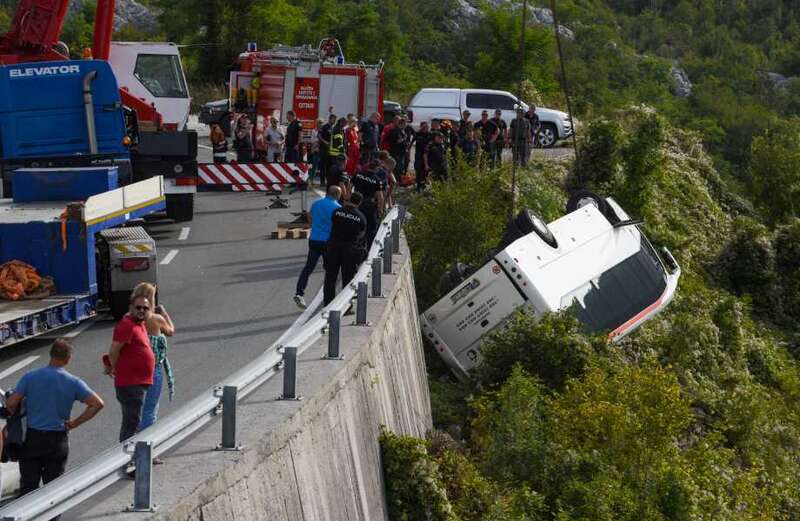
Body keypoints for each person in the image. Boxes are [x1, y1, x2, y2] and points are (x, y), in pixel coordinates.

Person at [6, 339, 103, 503]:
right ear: (68, 358)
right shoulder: (74, 382)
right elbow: (97, 404)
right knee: (54, 490)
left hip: (32, 439)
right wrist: (74, 423)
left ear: (50, 355)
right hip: (57, 440)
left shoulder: (30, 377)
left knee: (28, 488)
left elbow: (11, 403)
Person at [131, 283, 175, 441]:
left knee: (136, 408)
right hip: (153, 369)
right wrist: (164, 312)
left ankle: (132, 443)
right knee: (150, 408)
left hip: (134, 369)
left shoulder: (130, 319)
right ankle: (147, 447)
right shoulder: (155, 319)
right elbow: (170, 330)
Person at [108, 294, 155, 442]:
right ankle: (126, 457)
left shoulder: (138, 324)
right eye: (138, 307)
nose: (142, 310)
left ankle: (130, 457)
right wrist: (114, 368)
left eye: (145, 308)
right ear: (130, 308)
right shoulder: (127, 325)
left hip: (137, 383)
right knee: (131, 423)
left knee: (133, 421)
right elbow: (114, 350)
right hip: (130, 383)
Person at [293, 185, 342, 309]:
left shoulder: (316, 204)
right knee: (329, 270)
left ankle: (299, 292)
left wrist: (313, 226)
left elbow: (309, 216)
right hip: (328, 242)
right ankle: (328, 299)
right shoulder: (338, 208)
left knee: (308, 267)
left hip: (314, 239)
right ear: (337, 195)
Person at [323, 192, 367, 305]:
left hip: (333, 247)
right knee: (347, 278)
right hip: (349, 250)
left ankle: (328, 303)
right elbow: (361, 235)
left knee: (330, 277)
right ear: (360, 203)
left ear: (349, 199)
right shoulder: (361, 217)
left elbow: (332, 224)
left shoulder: (337, 212)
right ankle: (346, 305)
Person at [351, 160, 386, 246]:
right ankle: (368, 248)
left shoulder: (358, 174)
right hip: (369, 206)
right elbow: (380, 197)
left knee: (355, 224)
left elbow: (349, 186)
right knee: (371, 229)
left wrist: (347, 199)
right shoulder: (377, 180)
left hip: (356, 202)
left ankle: (354, 243)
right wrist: (380, 210)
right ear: (377, 168)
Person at [412, 121, 432, 192]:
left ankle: (423, 185)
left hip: (426, 156)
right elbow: (411, 142)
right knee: (418, 170)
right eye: (423, 127)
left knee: (425, 171)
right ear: (421, 127)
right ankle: (418, 186)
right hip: (418, 155)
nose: (425, 128)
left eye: (426, 127)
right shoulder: (418, 134)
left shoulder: (430, 134)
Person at [317, 114, 336, 185]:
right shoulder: (324, 127)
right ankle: (322, 182)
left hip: (331, 150)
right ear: (330, 119)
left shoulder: (334, 128)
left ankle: (329, 181)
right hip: (324, 149)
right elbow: (319, 135)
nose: (334, 121)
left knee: (329, 166)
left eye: (335, 120)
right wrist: (324, 141)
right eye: (333, 119)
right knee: (323, 166)